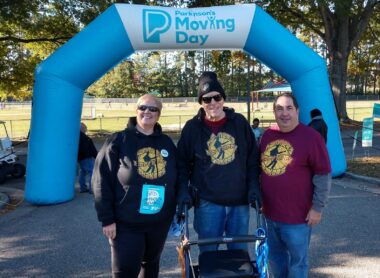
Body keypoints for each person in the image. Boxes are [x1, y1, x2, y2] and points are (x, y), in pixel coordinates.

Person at [92, 94, 177, 278]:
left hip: (159, 222)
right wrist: (107, 218)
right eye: (143, 108)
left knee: (151, 266)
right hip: (127, 223)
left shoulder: (167, 143)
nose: (147, 111)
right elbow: (100, 180)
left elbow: (177, 176)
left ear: (159, 114)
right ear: (136, 111)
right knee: (126, 271)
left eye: (153, 108)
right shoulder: (118, 140)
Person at [177, 71, 261, 253]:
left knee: (238, 254)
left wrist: (254, 185)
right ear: (201, 103)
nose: (213, 103)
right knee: (209, 254)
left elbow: (252, 159)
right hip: (207, 202)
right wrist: (182, 190)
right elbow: (182, 164)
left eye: (217, 97)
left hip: (239, 202)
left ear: (223, 99)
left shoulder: (239, 123)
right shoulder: (192, 128)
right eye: (207, 99)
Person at [259, 92, 332, 278]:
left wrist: (317, 208)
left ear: (297, 111)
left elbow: (323, 174)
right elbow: (260, 168)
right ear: (274, 112)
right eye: (279, 109)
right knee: (275, 260)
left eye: (289, 108)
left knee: (298, 263)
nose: (284, 113)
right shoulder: (267, 135)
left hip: (298, 218)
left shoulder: (311, 137)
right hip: (269, 215)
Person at [78, 122, 98, 193]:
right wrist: (97, 156)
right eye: (85, 128)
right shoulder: (86, 138)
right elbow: (91, 149)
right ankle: (91, 188)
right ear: (82, 128)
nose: (86, 130)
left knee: (83, 171)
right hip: (87, 157)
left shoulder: (77, 137)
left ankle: (82, 187)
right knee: (91, 171)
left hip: (80, 157)